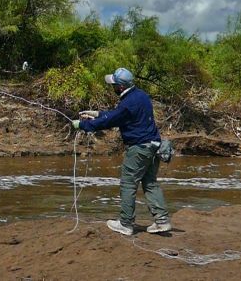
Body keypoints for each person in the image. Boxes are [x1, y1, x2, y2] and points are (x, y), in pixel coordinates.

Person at [71, 68, 171, 235]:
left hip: (140, 148)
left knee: (128, 184)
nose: (112, 87)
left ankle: (126, 224)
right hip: (154, 146)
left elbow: (110, 121)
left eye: (114, 85)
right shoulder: (141, 95)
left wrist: (82, 125)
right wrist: (97, 113)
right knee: (150, 183)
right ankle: (162, 221)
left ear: (120, 87)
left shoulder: (128, 102)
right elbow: (119, 115)